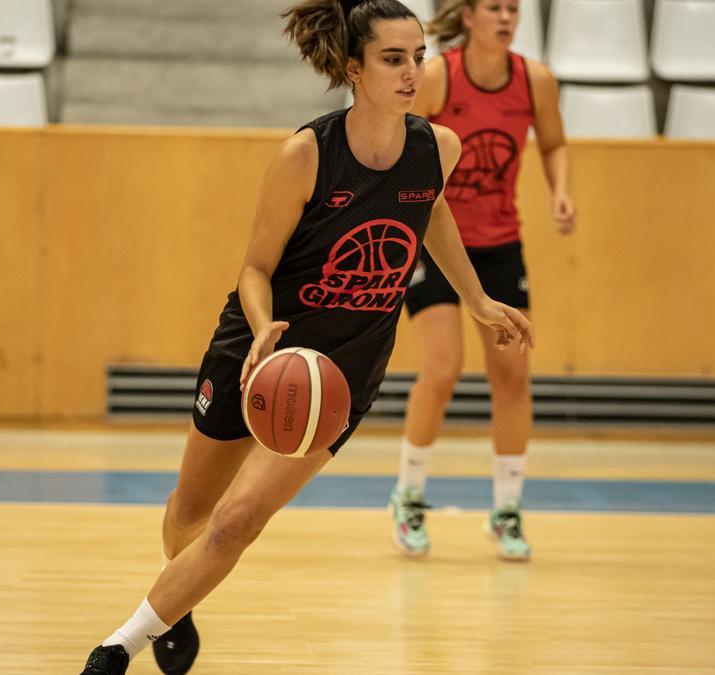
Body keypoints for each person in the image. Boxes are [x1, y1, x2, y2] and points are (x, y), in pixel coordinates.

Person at [79, 1, 533, 673]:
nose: (411, 72)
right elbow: (255, 269)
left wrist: (476, 298)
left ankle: (117, 647)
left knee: (236, 522)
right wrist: (264, 330)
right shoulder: (305, 155)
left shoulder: (437, 147)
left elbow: (429, 208)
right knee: (191, 511)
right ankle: (178, 597)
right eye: (392, 58)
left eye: (418, 57)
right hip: (255, 351)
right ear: (354, 67)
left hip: (337, 377)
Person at [388, 0, 576, 562]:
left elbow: (555, 142)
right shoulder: (440, 75)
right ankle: (409, 496)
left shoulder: (534, 80)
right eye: (494, 7)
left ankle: (508, 511)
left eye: (513, 8)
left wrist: (559, 190)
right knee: (442, 368)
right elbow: (401, 144)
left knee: (513, 375)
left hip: (499, 245)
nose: (507, 17)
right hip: (435, 242)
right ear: (467, 16)